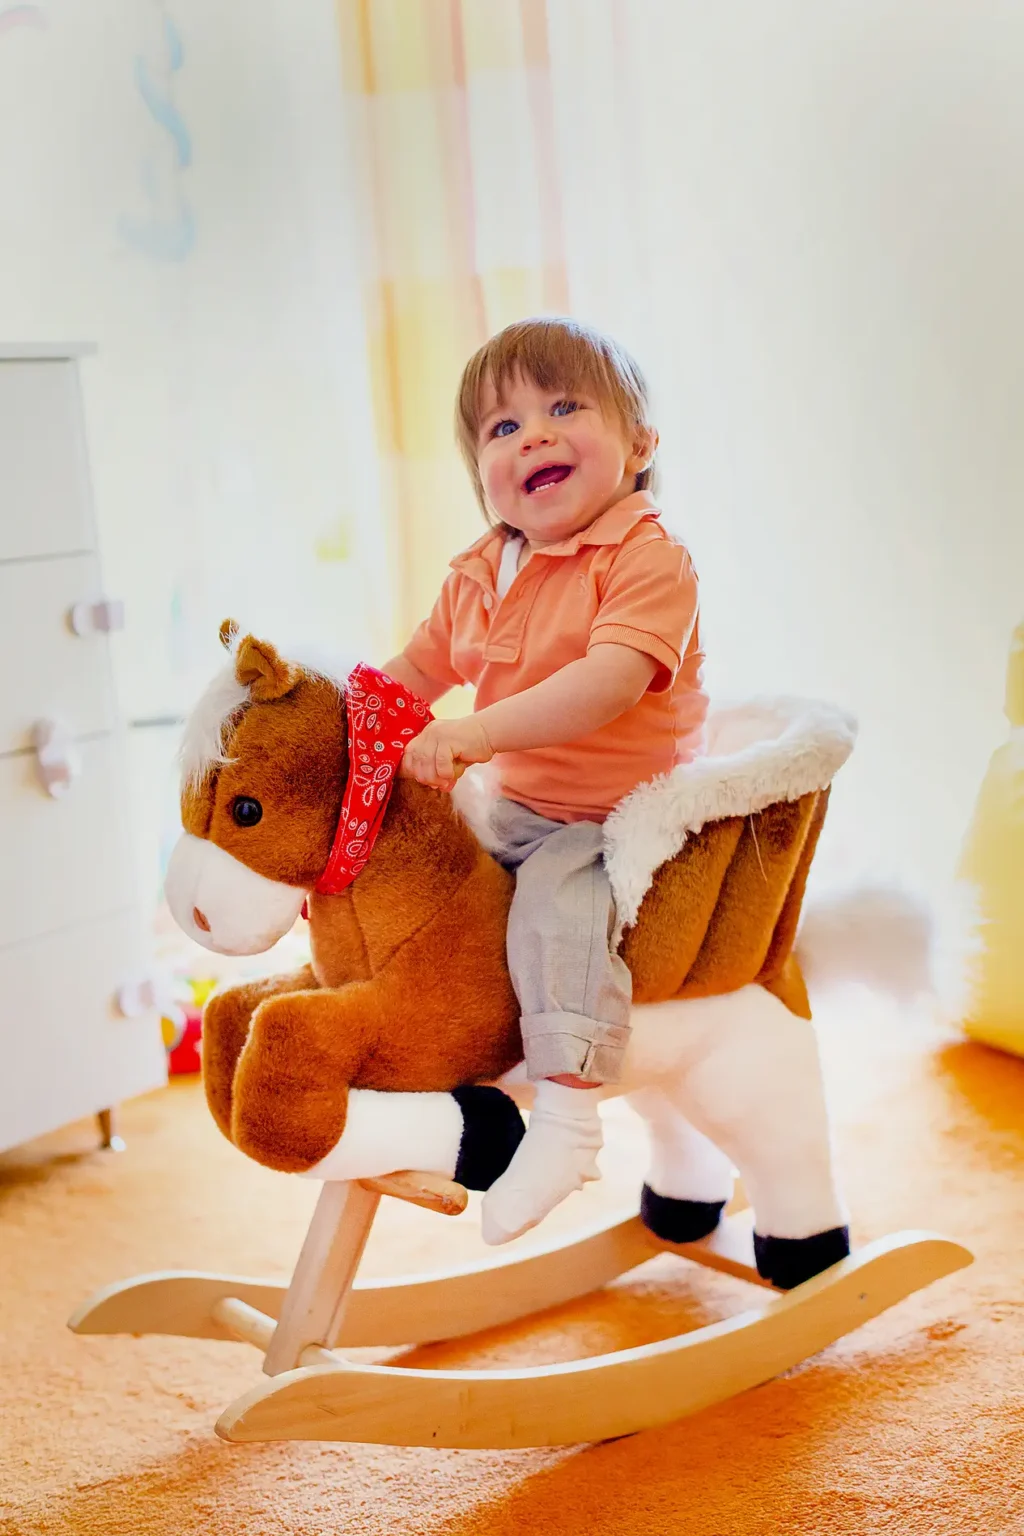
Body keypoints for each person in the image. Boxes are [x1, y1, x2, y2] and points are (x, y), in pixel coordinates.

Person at [382, 316, 707, 1244]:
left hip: (620, 816)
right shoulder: (482, 571)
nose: (533, 436)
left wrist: (476, 732)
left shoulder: (647, 557)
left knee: (554, 909)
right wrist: (340, 722)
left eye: (564, 408)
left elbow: (608, 683)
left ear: (639, 445)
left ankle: (567, 1121)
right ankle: (422, 1066)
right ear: (482, 472)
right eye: (503, 426)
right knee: (424, 881)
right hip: (517, 805)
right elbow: (412, 674)